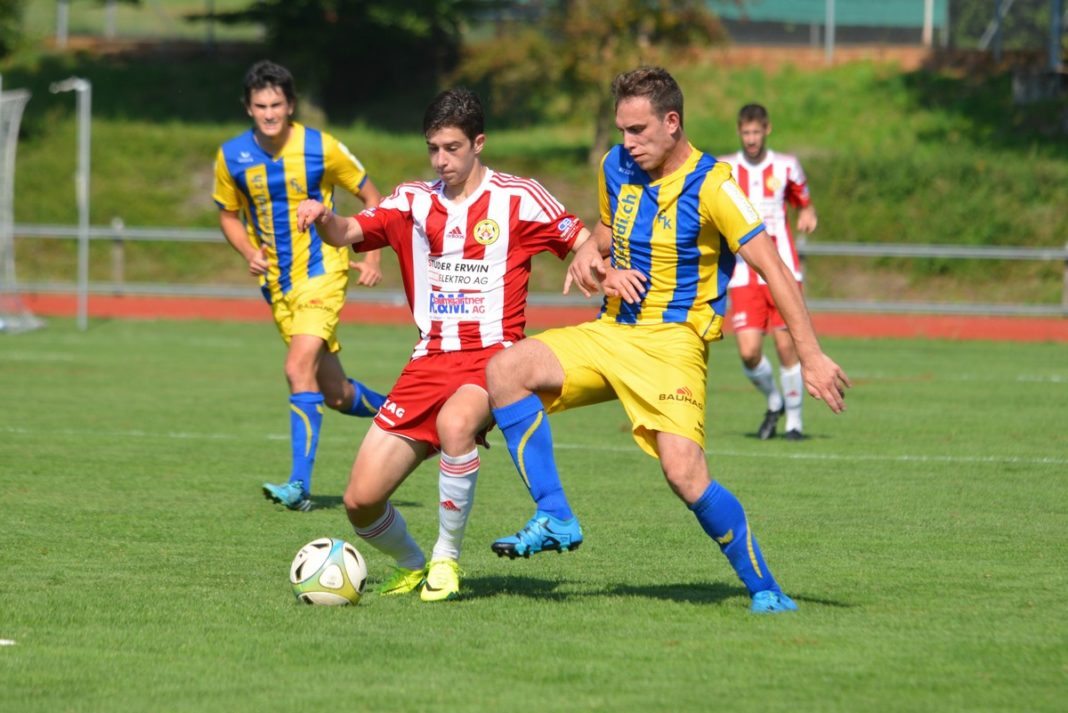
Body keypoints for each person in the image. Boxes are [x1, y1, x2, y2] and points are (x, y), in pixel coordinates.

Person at [485, 67, 851, 614]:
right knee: (505, 371)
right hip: (611, 331)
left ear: (672, 123)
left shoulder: (714, 186)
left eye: (637, 131)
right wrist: (590, 253)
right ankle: (556, 514)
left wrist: (813, 354)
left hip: (673, 344)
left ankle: (765, 589)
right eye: (622, 130)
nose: (626, 143)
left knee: (685, 475)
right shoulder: (617, 166)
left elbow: (773, 266)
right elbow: (606, 232)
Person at [295, 88, 590, 602]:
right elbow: (345, 232)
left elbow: (581, 240)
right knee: (359, 501)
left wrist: (595, 264)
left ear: (479, 143)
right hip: (427, 362)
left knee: (456, 424)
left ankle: (446, 560)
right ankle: (412, 564)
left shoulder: (519, 196)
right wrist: (322, 216)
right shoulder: (411, 201)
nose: (441, 159)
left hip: (493, 361)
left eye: (452, 147)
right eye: (433, 148)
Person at [212, 60, 387, 512]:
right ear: (248, 108)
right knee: (336, 393)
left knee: (296, 367)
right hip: (277, 286)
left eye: (276, 104)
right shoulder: (231, 156)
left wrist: (371, 253)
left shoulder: (320, 147)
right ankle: (414, 417)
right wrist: (248, 251)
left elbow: (372, 199)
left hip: (322, 272)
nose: (269, 113)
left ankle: (298, 486)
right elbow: (228, 214)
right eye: (260, 106)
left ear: (290, 105)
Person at [720, 104, 818, 441]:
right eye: (745, 133)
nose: (751, 139)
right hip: (744, 274)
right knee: (748, 352)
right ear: (739, 132)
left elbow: (803, 199)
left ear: (767, 131)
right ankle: (774, 400)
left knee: (787, 347)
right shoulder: (724, 168)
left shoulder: (787, 166)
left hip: (784, 271)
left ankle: (794, 423)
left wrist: (807, 212)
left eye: (756, 133)